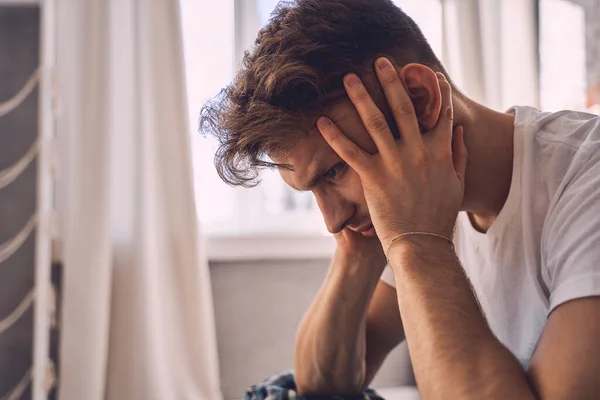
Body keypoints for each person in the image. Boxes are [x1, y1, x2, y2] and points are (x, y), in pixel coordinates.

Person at [200, 0, 600, 398]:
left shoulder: (586, 175)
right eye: (312, 192)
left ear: (420, 100)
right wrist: (355, 251)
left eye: (335, 171)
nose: (331, 220)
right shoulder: (417, 202)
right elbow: (324, 383)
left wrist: (418, 241)